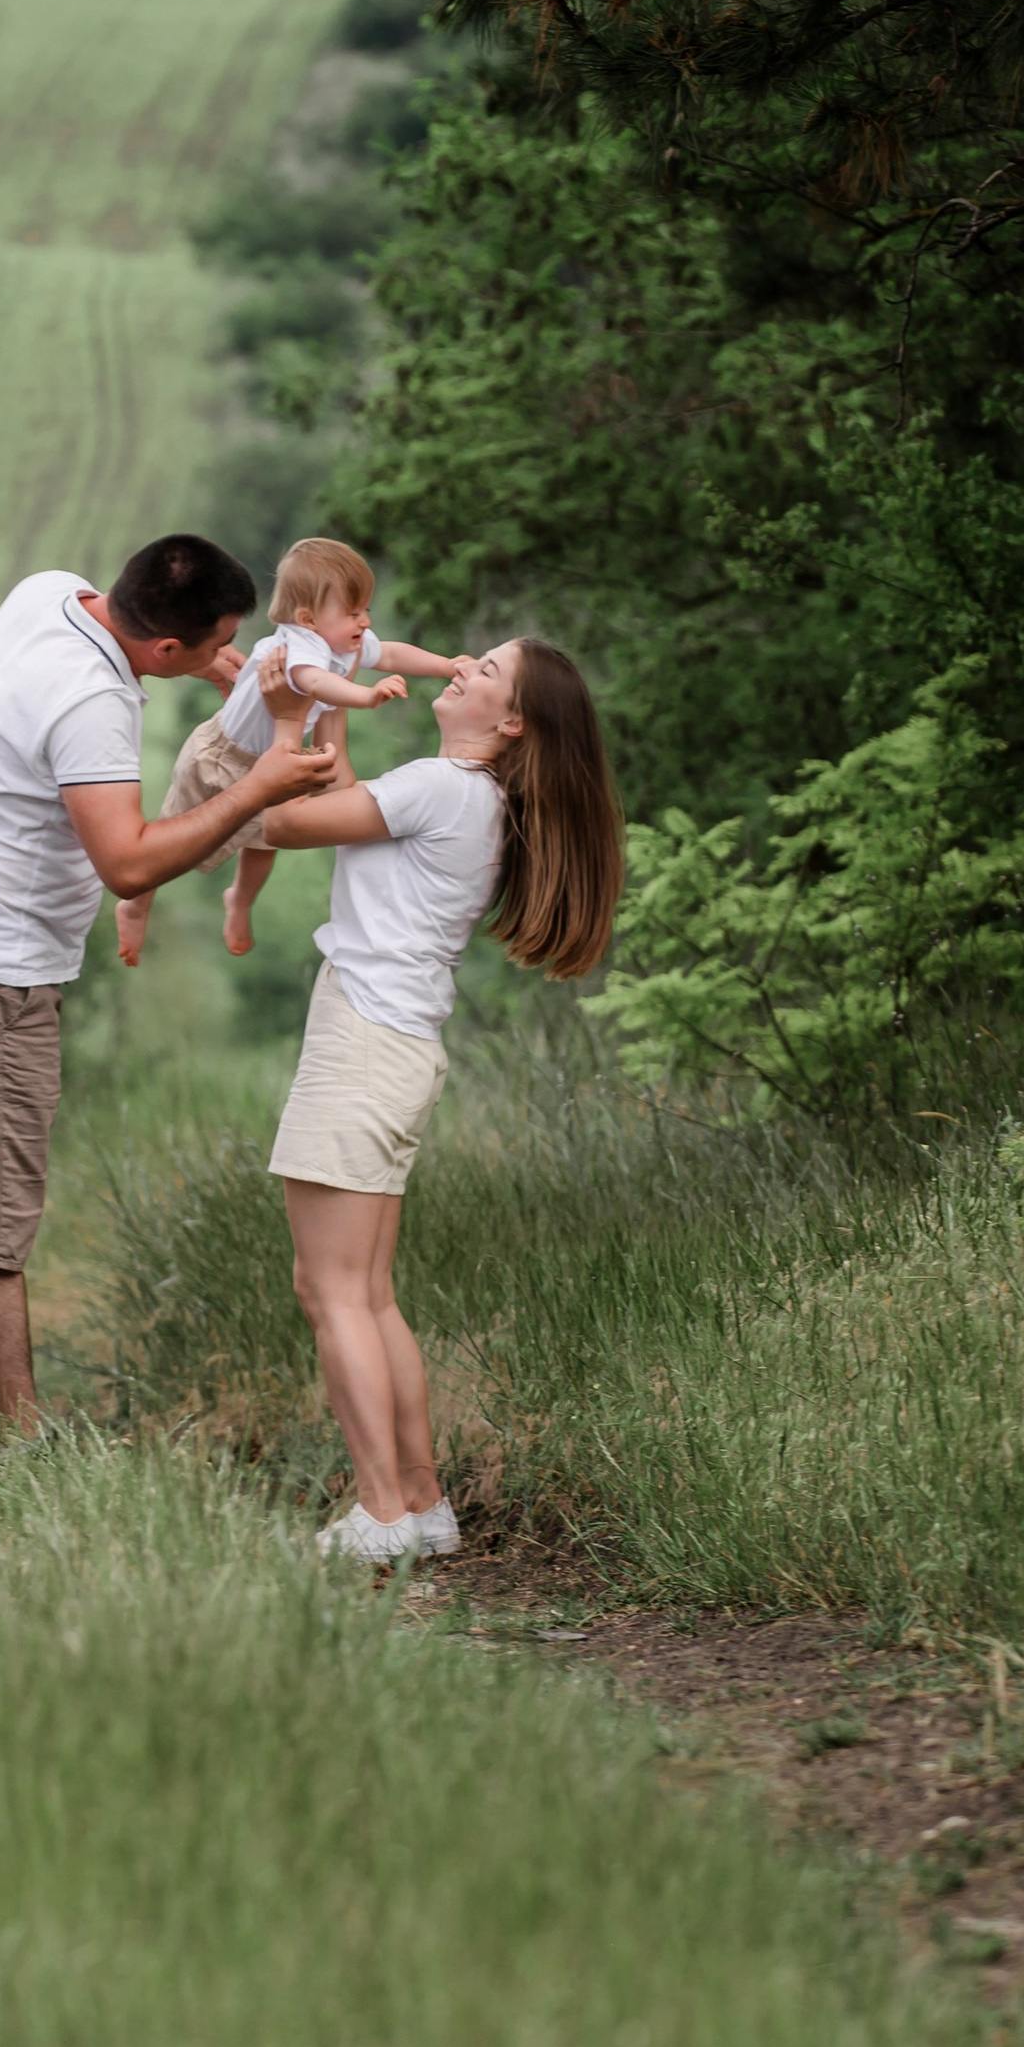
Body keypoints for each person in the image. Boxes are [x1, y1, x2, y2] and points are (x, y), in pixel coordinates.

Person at [0, 535, 334, 1438]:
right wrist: (259, 787)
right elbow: (126, 863)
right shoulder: (93, 700)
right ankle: (24, 1452)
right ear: (164, 647)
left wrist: (216, 671)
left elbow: (145, 640)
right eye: (217, 644)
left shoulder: (47, 592)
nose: (228, 657)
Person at [254, 635, 624, 1563]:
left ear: (513, 722)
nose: (459, 666)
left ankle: (380, 1512)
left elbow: (282, 823)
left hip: (361, 1041)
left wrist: (290, 718)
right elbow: (347, 812)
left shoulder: (439, 785)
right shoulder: (474, 799)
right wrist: (330, 719)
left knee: (331, 1290)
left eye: (485, 670)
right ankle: (420, 1503)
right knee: (368, 1294)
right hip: (399, 1045)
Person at [115, 535, 463, 968]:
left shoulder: (342, 643)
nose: (365, 622)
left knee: (266, 841)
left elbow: (391, 654)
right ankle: (137, 902)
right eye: (353, 612)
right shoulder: (299, 647)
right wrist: (366, 695)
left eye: (366, 609)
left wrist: (447, 665)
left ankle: (239, 901)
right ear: (307, 619)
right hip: (224, 756)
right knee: (176, 835)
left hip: (275, 762)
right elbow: (316, 683)